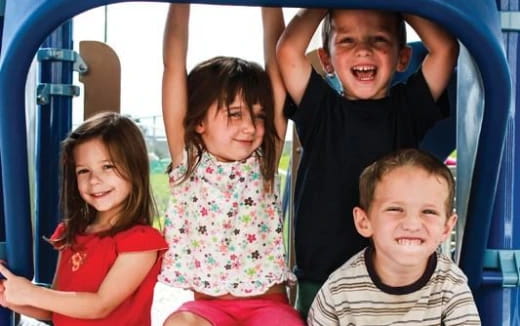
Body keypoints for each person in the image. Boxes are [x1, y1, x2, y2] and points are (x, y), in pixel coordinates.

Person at [276, 8, 460, 316]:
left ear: (402, 58)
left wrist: (402, 5)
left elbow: (444, 50)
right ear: (326, 60)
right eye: (347, 40)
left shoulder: (407, 109)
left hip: (395, 278)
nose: (363, 49)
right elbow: (288, 50)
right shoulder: (320, 109)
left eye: (379, 39)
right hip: (322, 275)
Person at [159, 4, 304, 326]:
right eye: (235, 114)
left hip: (268, 305)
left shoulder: (264, 159)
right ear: (198, 121)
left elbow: (276, 65)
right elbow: (173, 65)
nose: (250, 127)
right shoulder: (188, 160)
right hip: (207, 308)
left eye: (259, 115)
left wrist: (271, 8)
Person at [0, 112, 168, 325]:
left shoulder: (141, 241)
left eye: (107, 166)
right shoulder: (70, 233)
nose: (94, 180)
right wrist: (11, 299)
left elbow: (100, 305)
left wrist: (32, 293)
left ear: (135, 168)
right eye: (83, 171)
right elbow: (57, 310)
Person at [308, 148, 481, 325]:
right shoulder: (338, 291)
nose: (412, 224)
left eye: (428, 211)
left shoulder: (450, 286)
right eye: (395, 209)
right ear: (363, 222)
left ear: (446, 228)